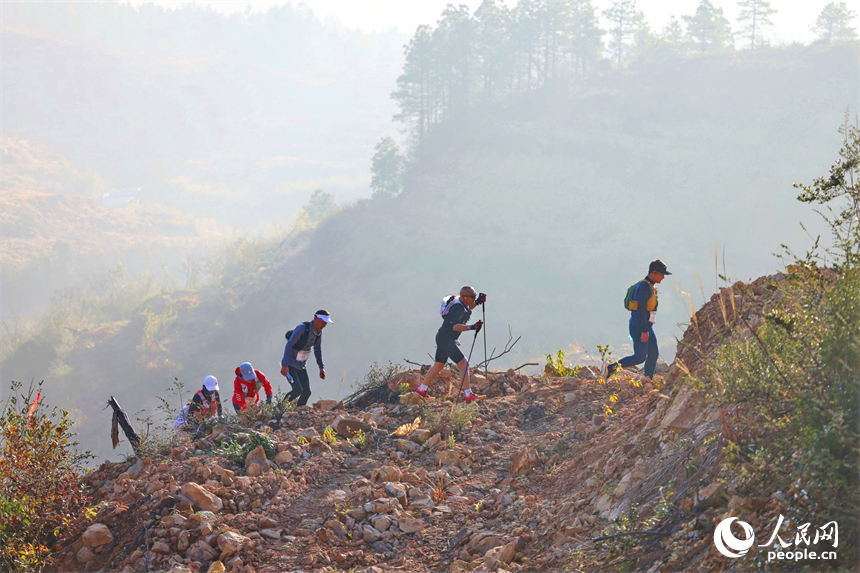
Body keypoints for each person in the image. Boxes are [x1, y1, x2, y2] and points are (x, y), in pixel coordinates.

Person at [603, 259, 671, 381]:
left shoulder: (650, 286)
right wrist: (644, 331)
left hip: (647, 326)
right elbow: (640, 309)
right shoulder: (644, 287)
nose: (663, 278)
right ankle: (610, 368)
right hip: (640, 326)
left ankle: (647, 379)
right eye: (662, 274)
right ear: (654, 272)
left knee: (653, 354)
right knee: (640, 357)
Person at [417, 286, 486, 403]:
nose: (474, 298)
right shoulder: (458, 308)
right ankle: (468, 395)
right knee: (464, 364)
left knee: (438, 366)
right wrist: (472, 327)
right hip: (446, 339)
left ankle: (421, 390)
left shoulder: (462, 303)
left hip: (442, 337)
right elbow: (455, 327)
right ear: (464, 297)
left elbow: (470, 306)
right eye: (473, 297)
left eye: (475, 296)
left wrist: (479, 302)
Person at [279, 309, 330, 406]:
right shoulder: (302, 328)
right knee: (297, 390)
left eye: (326, 322)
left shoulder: (318, 333)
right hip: (290, 364)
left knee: (306, 392)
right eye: (323, 322)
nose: (325, 325)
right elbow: (289, 344)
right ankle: (279, 408)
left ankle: (299, 411)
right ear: (315, 319)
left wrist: (321, 367)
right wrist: (285, 365)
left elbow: (317, 349)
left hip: (301, 365)